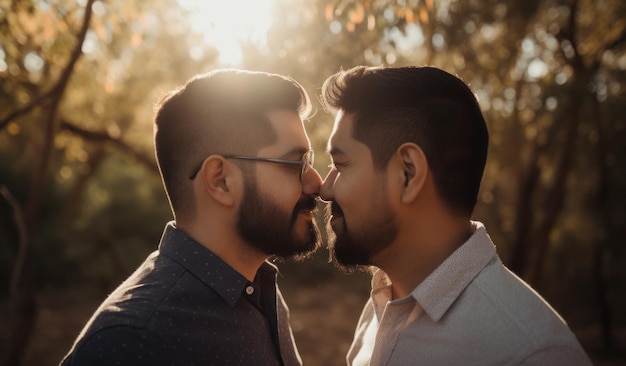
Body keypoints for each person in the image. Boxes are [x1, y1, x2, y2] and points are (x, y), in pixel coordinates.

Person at [319, 65, 592, 365]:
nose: (325, 189)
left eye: (340, 165)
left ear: (408, 174)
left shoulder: (532, 354)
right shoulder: (382, 306)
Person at [61, 69, 323, 366]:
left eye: (309, 161)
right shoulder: (130, 343)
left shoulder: (261, 293)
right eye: (294, 163)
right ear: (221, 181)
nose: (317, 182)